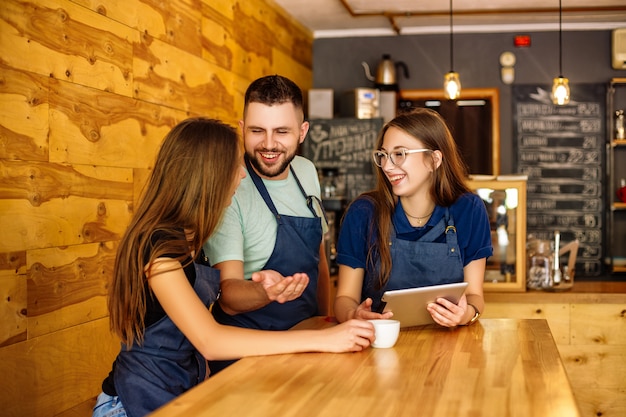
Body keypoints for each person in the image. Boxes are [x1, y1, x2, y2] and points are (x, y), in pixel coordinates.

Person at [93, 118, 374, 417]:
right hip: (130, 404)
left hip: (180, 394)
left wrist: (260, 289)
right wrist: (324, 339)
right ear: (206, 175)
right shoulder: (158, 248)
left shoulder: (192, 239)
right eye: (232, 167)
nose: (241, 175)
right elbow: (210, 340)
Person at [203, 75, 331, 372]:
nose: (269, 144)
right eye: (257, 131)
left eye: (282, 132)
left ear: (302, 132)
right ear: (242, 128)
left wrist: (327, 326)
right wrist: (267, 293)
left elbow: (319, 260)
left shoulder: (306, 171)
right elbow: (228, 296)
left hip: (308, 345)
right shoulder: (231, 186)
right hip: (245, 357)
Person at [333, 108, 493, 328]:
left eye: (399, 154)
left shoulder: (469, 210)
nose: (387, 166)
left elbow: (475, 297)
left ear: (434, 160)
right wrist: (353, 315)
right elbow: (344, 299)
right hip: (378, 346)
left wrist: (465, 315)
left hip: (447, 347)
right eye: (383, 155)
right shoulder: (363, 212)